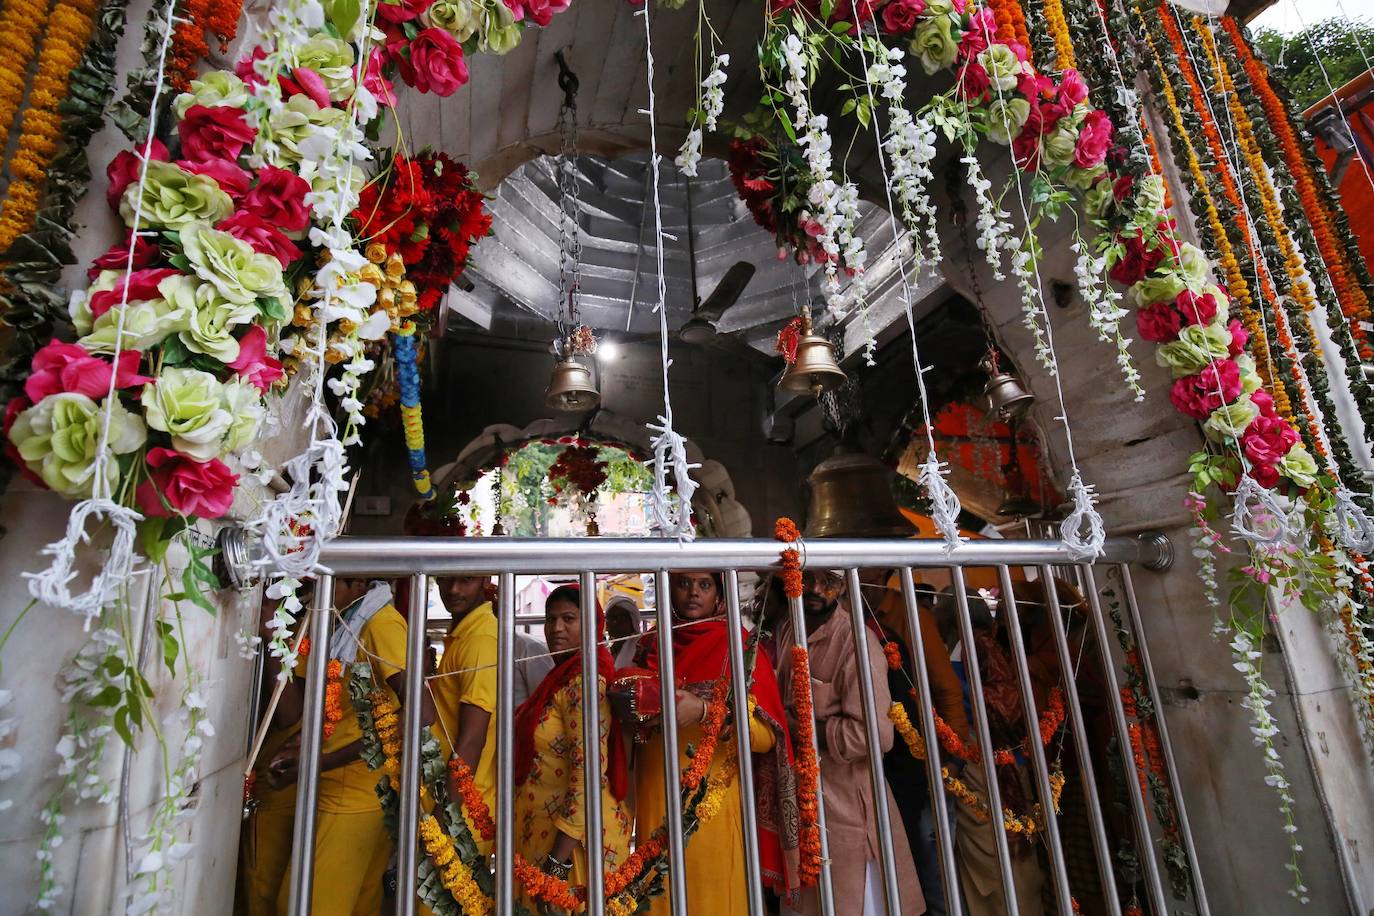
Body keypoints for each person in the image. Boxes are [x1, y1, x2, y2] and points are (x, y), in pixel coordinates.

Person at [629, 571, 800, 914]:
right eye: (683, 583)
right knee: (657, 895)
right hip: (654, 796)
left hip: (711, 806)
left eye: (704, 585)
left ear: (719, 593)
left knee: (712, 896)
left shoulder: (737, 645)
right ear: (668, 588)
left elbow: (769, 736)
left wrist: (706, 711)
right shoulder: (650, 645)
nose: (693, 593)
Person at [267, 578, 422, 915]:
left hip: (355, 794)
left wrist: (322, 761)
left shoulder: (379, 623)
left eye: (322, 583)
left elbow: (421, 712)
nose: (310, 592)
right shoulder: (333, 621)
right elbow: (291, 712)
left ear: (356, 585)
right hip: (339, 787)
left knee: (302, 904)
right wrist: (273, 637)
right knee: (354, 905)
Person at [776, 569, 925, 916]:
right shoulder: (789, 629)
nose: (814, 588)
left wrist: (806, 729)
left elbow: (876, 735)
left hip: (847, 813)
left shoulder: (856, 641)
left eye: (828, 580)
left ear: (844, 586)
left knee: (851, 905)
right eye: (808, 577)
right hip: (800, 804)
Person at [513, 584, 634, 904]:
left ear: (593, 625)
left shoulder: (584, 682)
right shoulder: (565, 677)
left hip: (574, 849)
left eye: (569, 618)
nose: (556, 628)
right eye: (550, 620)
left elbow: (588, 776)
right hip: (551, 839)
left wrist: (555, 864)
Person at [430, 574, 500, 855]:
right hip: (454, 806)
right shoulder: (465, 632)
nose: (454, 589)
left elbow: (472, 740)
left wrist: (444, 815)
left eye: (466, 580)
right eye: (445, 579)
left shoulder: (480, 639)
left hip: (460, 816)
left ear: (485, 580)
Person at [606, 596, 642, 669]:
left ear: (632, 621)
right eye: (611, 618)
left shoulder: (640, 651)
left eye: (621, 618)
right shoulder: (606, 651)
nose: (614, 623)